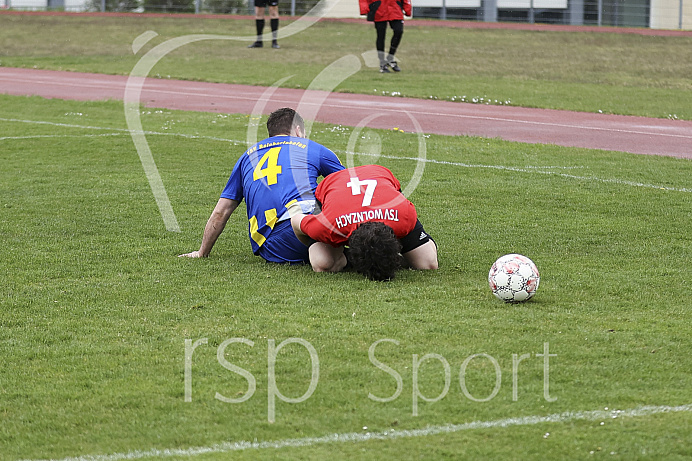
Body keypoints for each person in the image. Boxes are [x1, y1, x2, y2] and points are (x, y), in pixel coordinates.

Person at [179, 108, 343, 263]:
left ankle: (330, 256)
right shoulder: (313, 148)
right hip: (304, 227)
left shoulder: (247, 156)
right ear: (299, 130)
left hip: (271, 248)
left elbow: (221, 211)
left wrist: (202, 252)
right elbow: (350, 188)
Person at [291, 164, 438, 281]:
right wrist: (317, 240)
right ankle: (360, 258)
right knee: (323, 263)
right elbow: (296, 220)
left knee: (428, 264)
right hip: (334, 182)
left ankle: (370, 258)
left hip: (378, 175)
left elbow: (429, 263)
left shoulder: (404, 215)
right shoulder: (328, 225)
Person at [359, 0, 412, 73]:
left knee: (399, 31)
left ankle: (390, 57)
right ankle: (382, 62)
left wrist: (407, 9)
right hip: (379, 9)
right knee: (381, 36)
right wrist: (364, 8)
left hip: (395, 8)